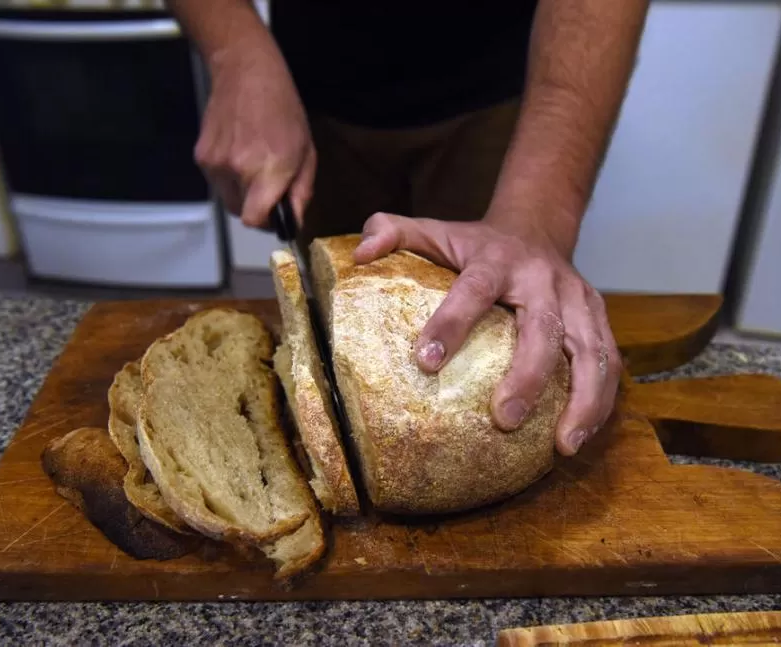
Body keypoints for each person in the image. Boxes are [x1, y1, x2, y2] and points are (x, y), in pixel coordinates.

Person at [167, 0, 649, 457]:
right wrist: (235, 52)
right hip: (308, 89)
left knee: (488, 345)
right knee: (334, 353)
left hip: (506, 91)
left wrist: (537, 220)